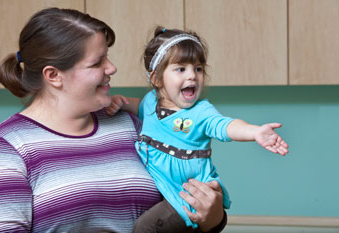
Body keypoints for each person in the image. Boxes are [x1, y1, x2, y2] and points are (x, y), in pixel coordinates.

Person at [0, 8, 227, 233]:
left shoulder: (130, 125)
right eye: (97, 62)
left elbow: (177, 208)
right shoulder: (5, 148)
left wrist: (212, 218)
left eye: (108, 57)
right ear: (53, 75)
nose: (111, 68)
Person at [106, 26, 289, 232]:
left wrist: (254, 132)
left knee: (144, 228)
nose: (192, 75)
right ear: (156, 78)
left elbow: (225, 125)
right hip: (163, 189)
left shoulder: (201, 112)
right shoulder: (150, 103)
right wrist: (121, 102)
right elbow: (139, 107)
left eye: (198, 68)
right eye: (181, 69)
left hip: (186, 195)